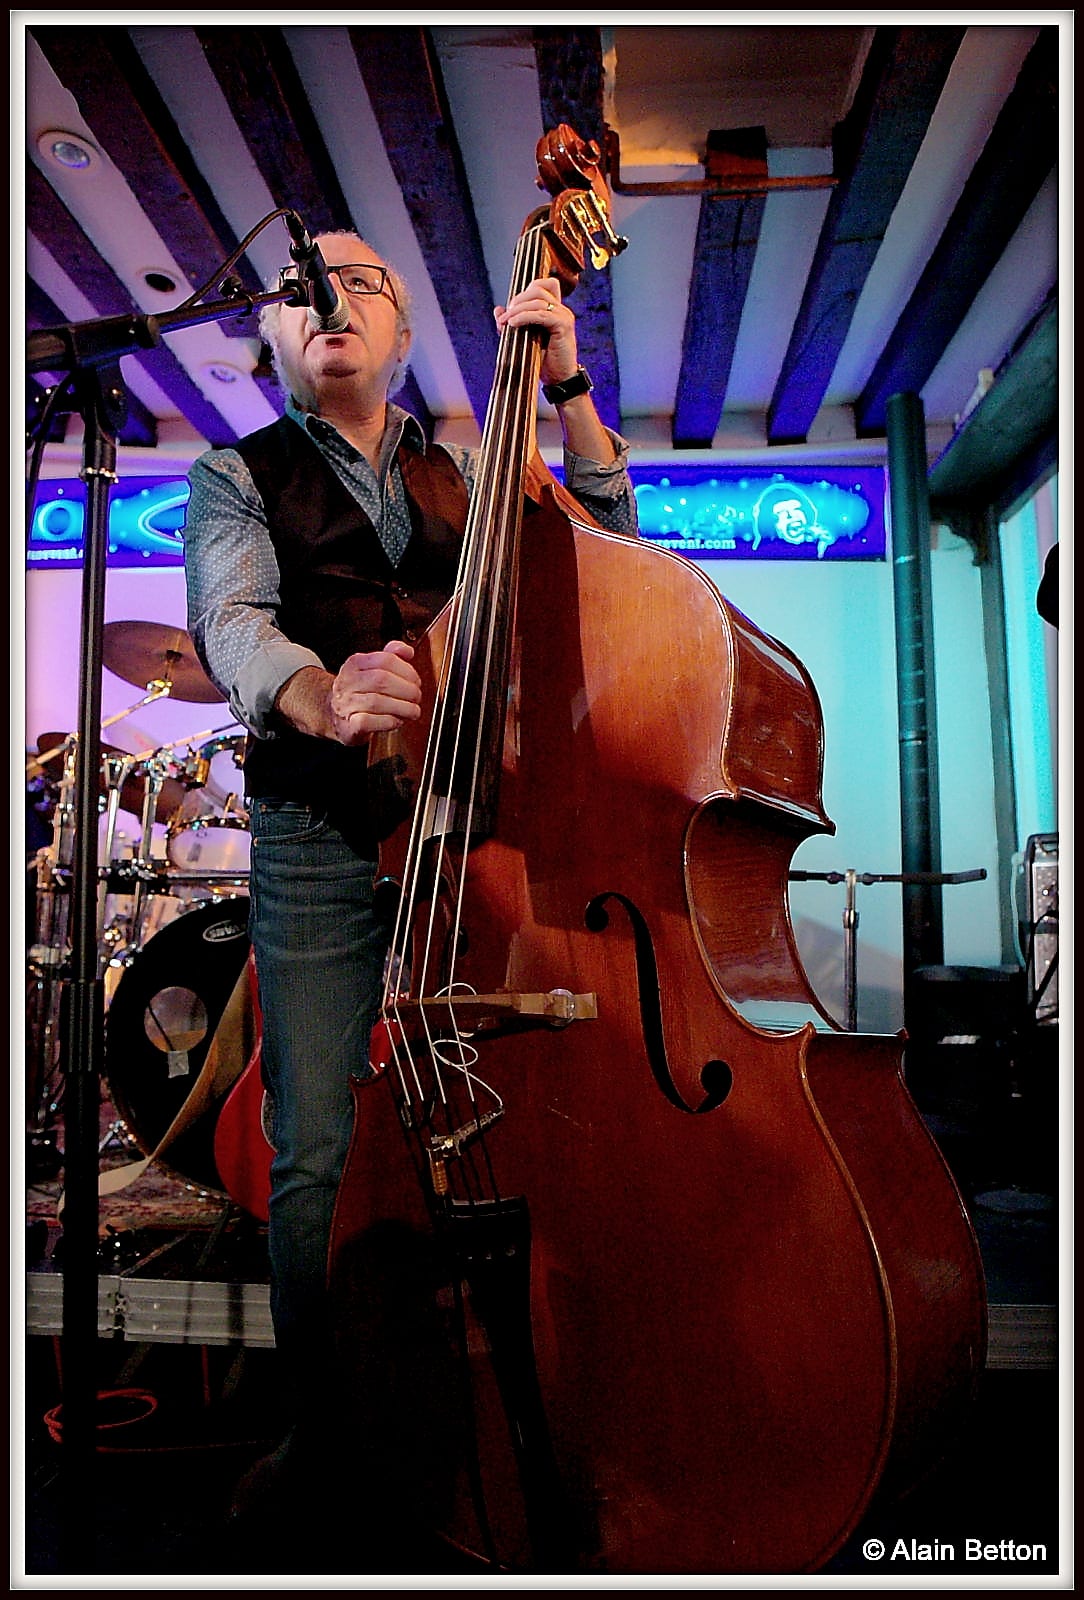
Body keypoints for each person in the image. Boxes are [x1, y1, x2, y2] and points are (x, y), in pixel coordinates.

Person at [182, 228, 638, 1533]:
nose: (330, 300)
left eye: (362, 284)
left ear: (402, 332)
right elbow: (231, 621)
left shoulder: (477, 470)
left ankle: (528, 1404)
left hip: (476, 832)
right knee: (316, 1142)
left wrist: (566, 386)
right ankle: (328, 1437)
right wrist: (323, 695)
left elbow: (612, 544)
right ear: (274, 338)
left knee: (532, 1113)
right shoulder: (234, 473)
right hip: (319, 831)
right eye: (300, 290)